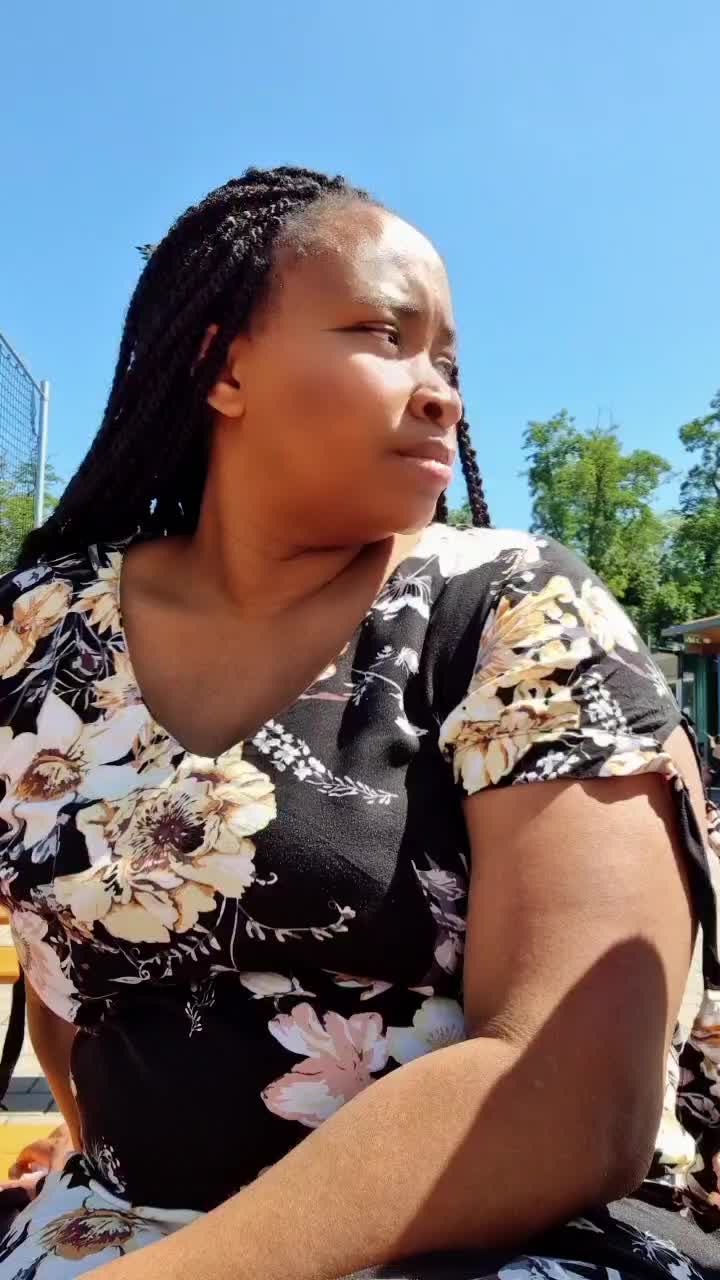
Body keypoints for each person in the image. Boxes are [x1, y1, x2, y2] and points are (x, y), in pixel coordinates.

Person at [0, 165, 718, 1280]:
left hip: (475, 1246)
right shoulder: (38, 631)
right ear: (223, 366)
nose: (443, 396)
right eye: (387, 335)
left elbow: (575, 1089)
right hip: (105, 1232)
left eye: (450, 363)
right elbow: (67, 991)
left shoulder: (512, 608)